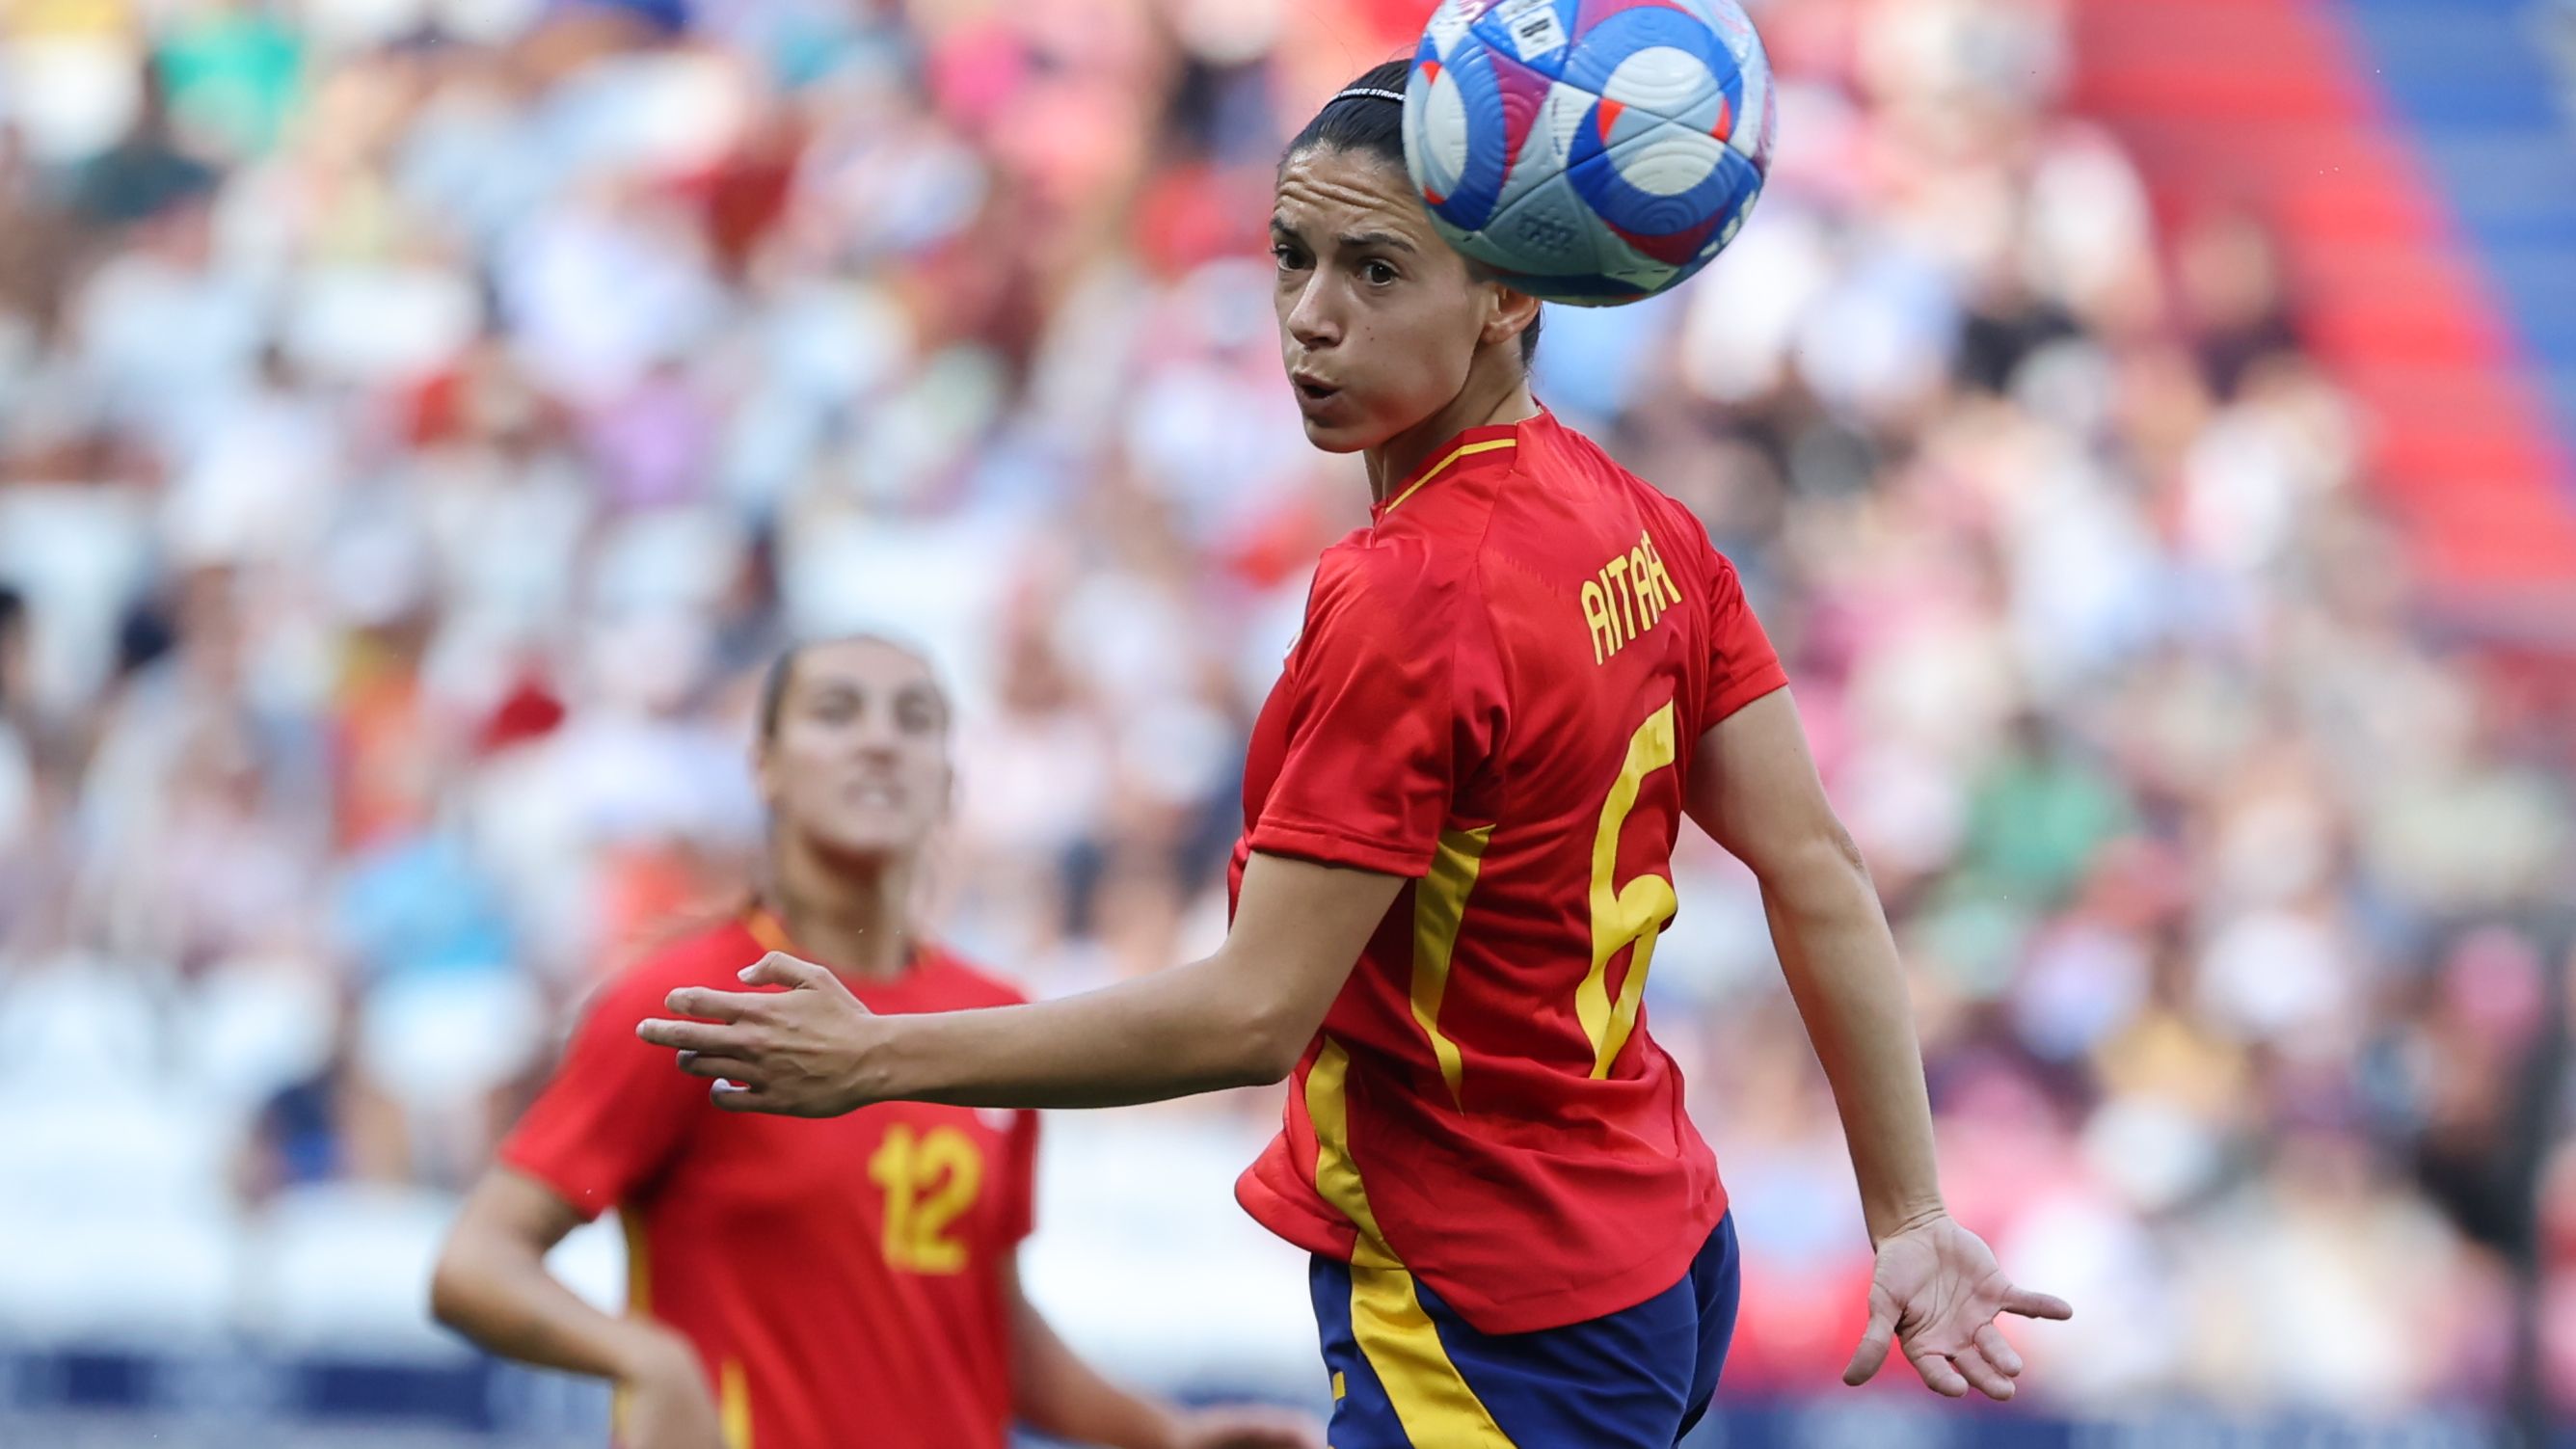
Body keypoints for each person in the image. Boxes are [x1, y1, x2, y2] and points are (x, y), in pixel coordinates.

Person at [636, 65, 2072, 1447]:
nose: (1310, 320)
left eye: (1375, 271)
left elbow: (1252, 1015)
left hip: (1491, 1304)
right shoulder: (1634, 517)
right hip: (1652, 1243)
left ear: (1510, 291)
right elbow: (1812, 861)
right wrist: (1907, 1209)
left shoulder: (1413, 593)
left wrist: (881, 1054)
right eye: (1291, 257)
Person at [431, 636, 1318, 1449]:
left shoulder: (993, 1016)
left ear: (951, 780)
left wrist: (1165, 1434)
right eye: (836, 711)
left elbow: (986, 1320)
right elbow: (475, 1262)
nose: (880, 740)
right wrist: (645, 1358)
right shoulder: (695, 1002)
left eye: (915, 718)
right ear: (764, 766)